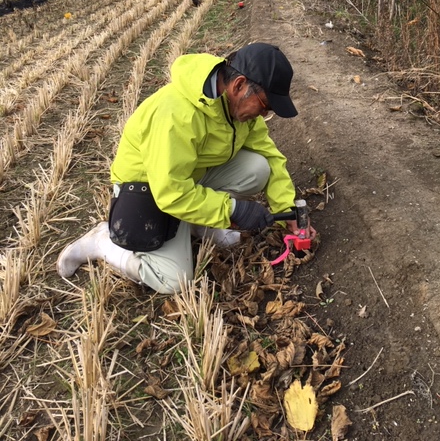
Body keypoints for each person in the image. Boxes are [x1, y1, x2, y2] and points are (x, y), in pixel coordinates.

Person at [57, 43, 316, 295]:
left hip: (189, 177)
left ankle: (197, 224)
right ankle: (103, 243)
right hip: (146, 189)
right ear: (239, 85)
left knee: (258, 168)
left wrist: (287, 211)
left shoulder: (235, 109)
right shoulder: (175, 114)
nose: (263, 114)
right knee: (174, 281)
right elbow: (170, 191)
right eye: (264, 105)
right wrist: (232, 209)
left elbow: (269, 156)